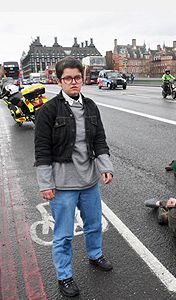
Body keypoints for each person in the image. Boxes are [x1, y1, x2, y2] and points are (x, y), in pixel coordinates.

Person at [34, 57, 114, 298]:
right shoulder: (48, 111)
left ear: (82, 78)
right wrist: (46, 183)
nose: (73, 82)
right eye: (67, 78)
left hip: (89, 181)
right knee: (64, 234)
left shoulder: (90, 106)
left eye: (77, 77)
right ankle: (64, 276)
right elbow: (42, 150)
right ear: (59, 81)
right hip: (63, 184)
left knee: (93, 224)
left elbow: (99, 139)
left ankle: (95, 255)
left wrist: (105, 166)